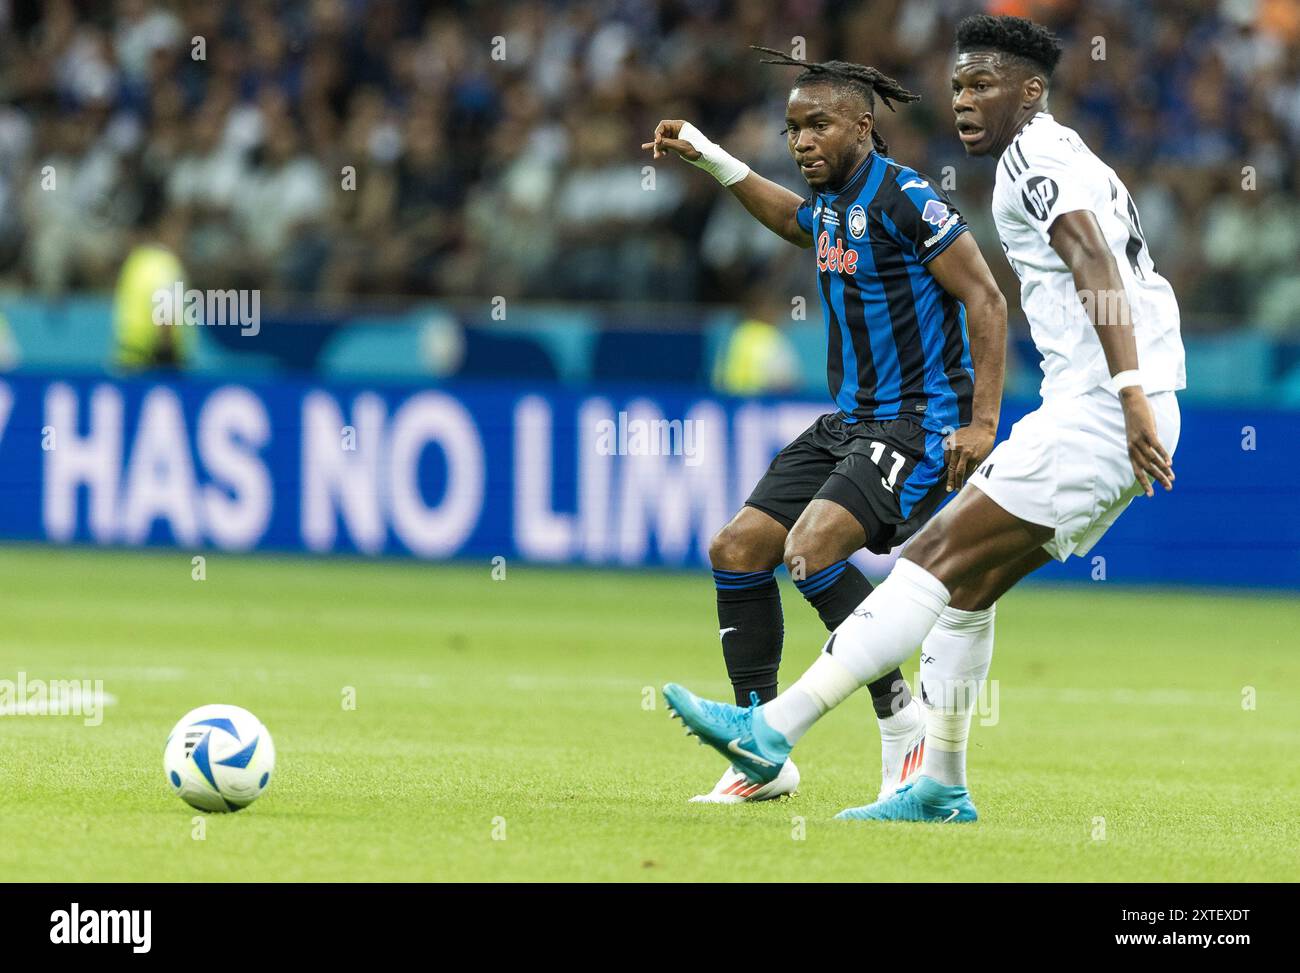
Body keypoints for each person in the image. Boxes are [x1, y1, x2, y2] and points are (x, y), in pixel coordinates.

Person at [663, 15, 1186, 823]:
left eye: (984, 86)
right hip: (1086, 409)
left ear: (1031, 90)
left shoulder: (1031, 162)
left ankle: (770, 730)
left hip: (1090, 411)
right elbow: (794, 221)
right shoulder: (1057, 152)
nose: (965, 102)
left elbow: (1089, 261)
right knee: (966, 590)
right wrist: (714, 157)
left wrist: (1127, 388)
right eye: (958, 88)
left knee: (926, 564)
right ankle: (939, 783)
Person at [644, 46, 1007, 803]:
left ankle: (897, 716)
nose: (802, 141)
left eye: (817, 126)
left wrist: (982, 423)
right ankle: (759, 751)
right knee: (738, 546)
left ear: (863, 127)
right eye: (791, 130)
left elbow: (987, 299)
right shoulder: (834, 204)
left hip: (917, 424)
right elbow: (794, 222)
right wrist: (710, 155)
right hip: (850, 422)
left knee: (809, 549)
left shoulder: (909, 200)